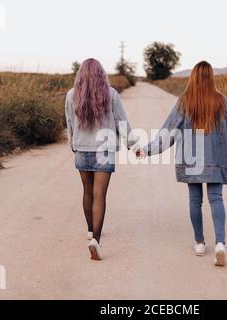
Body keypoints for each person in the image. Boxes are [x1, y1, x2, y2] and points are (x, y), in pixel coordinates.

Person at [137, 61, 227, 267]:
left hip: (191, 160)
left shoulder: (185, 101)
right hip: (216, 159)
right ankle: (221, 243)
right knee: (216, 199)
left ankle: (199, 242)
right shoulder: (222, 101)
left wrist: (147, 149)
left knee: (195, 201)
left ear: (193, 78)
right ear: (211, 77)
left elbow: (168, 132)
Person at [65, 58, 137, 261]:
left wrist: (73, 144)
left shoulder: (71, 95)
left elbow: (69, 123)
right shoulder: (111, 94)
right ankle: (95, 239)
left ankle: (90, 230)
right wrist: (133, 145)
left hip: (82, 148)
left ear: (80, 75)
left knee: (87, 192)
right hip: (104, 150)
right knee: (99, 195)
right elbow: (122, 123)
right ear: (101, 74)